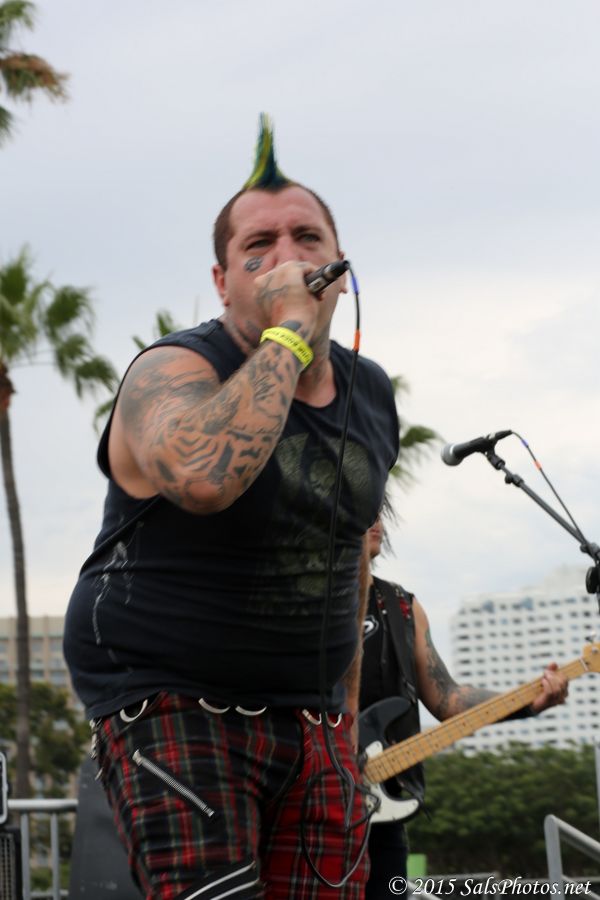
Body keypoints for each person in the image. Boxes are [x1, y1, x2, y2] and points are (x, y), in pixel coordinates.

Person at [63, 114, 399, 900]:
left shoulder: (369, 392)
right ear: (222, 281)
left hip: (312, 716)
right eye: (259, 246)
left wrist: (344, 723)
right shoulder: (173, 368)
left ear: (340, 263)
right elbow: (206, 478)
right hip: (173, 695)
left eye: (307, 238)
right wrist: (288, 333)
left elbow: (347, 558)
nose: (287, 258)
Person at [359, 516, 569, 897]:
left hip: (379, 811)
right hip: (311, 802)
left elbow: (448, 697)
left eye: (378, 509)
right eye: (363, 508)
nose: (376, 519)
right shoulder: (303, 604)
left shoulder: (401, 606)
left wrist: (530, 701)